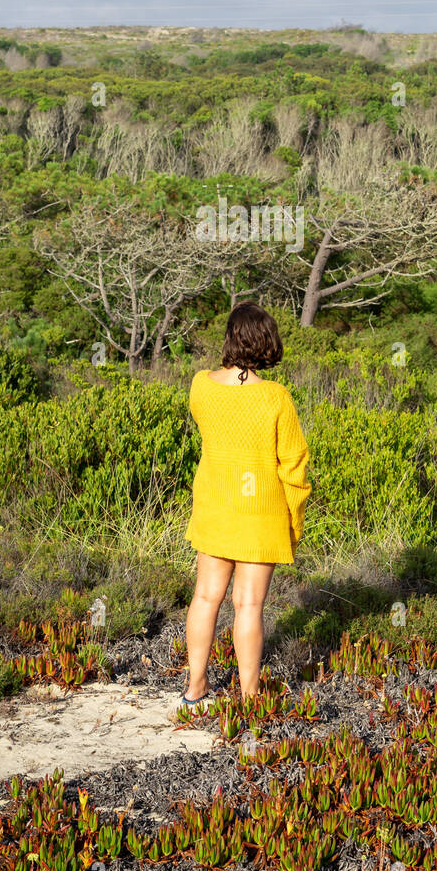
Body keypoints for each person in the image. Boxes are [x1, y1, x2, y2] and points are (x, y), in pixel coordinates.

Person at [180, 301, 311, 709]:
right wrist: (293, 520)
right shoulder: (276, 397)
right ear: (266, 342)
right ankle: (250, 697)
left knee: (205, 597)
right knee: (249, 605)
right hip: (261, 514)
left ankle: (195, 688)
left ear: (230, 338)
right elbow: (294, 465)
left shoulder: (201, 385)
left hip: (214, 507)